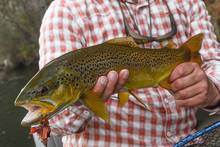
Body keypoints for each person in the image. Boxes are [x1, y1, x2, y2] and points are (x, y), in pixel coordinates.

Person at [37, 0, 220, 146]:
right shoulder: (65, 11)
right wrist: (84, 99)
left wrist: (212, 90)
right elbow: (53, 122)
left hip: (191, 141)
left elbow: (213, 62)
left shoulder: (187, 3)